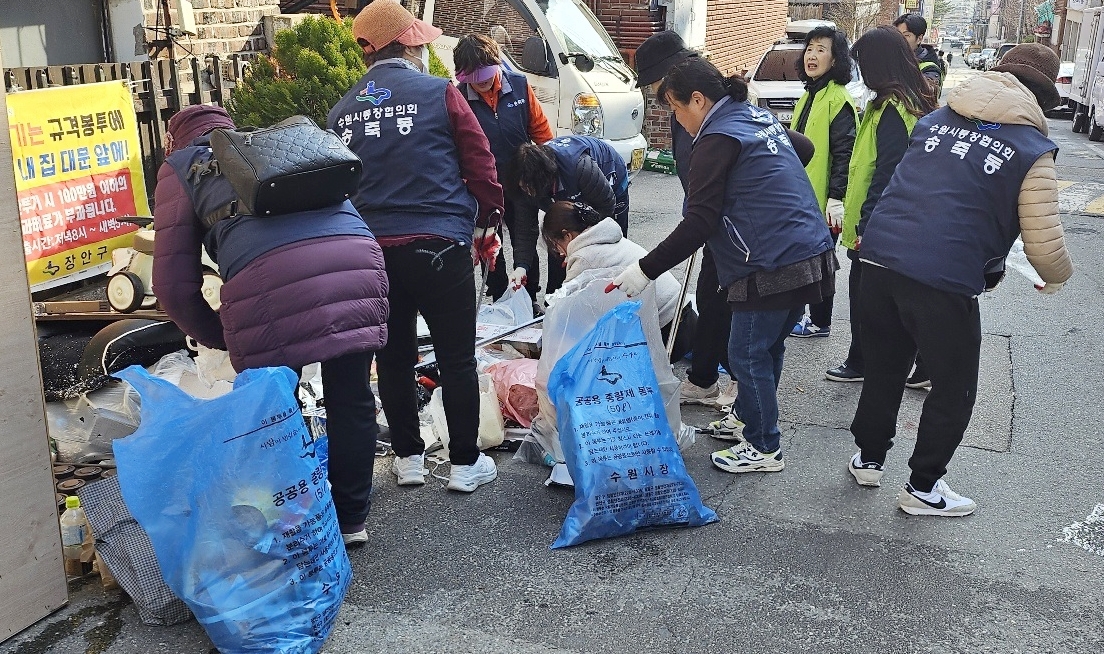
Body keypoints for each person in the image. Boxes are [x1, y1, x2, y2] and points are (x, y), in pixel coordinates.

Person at [846, 44, 1073, 516]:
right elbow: (1044, 239)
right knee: (954, 383)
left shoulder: (934, 122)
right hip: (943, 277)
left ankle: (868, 458)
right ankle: (924, 487)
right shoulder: (1032, 148)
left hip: (880, 258)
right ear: (1041, 100)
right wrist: (1055, 277)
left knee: (884, 365)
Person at [152, 105, 390, 546]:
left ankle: (298, 519)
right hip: (357, 261)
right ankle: (353, 520)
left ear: (174, 140)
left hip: (268, 279)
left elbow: (171, 283)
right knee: (351, 397)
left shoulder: (180, 166)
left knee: (276, 407)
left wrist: (220, 336)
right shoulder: (266, 147)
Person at [607, 57, 836, 474]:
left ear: (698, 99)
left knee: (746, 353)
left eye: (676, 109)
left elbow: (699, 222)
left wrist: (643, 270)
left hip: (769, 260)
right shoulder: (751, 116)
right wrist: (762, 183)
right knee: (766, 348)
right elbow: (803, 148)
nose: (676, 119)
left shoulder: (715, 137)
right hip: (810, 250)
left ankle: (764, 446)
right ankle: (750, 420)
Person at [328, 0, 505, 492]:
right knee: (456, 357)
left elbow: (336, 186)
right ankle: (465, 466)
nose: (426, 48)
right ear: (406, 43)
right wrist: (489, 216)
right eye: (420, 40)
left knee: (394, 357)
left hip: (371, 250)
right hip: (439, 243)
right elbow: (481, 163)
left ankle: (408, 458)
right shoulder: (440, 94)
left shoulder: (341, 111)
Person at [826, 26, 937, 384]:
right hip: (896, 222)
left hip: (877, 226)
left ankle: (863, 363)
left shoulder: (892, 109)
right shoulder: (910, 100)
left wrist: (866, 226)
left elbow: (888, 171)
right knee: (897, 299)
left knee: (867, 300)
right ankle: (921, 366)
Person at [633, 31, 734, 408]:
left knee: (726, 302)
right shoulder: (683, 104)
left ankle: (737, 380)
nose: (659, 96)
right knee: (710, 297)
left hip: (724, 223)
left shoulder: (704, 103)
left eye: (656, 83)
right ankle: (704, 377)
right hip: (706, 214)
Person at [453, 33, 554, 304]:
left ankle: (529, 294)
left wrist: (548, 169)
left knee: (525, 237)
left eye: (485, 75)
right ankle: (497, 294)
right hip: (482, 186)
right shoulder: (459, 96)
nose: (481, 83)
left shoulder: (519, 86)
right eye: (473, 78)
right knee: (488, 241)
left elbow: (541, 131)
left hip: (522, 180)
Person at [541, 200, 695, 361]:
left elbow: (566, 313)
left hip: (669, 332)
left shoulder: (584, 256)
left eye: (555, 244)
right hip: (685, 315)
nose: (558, 252)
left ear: (567, 235)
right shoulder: (602, 236)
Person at [788, 25, 857, 340]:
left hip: (822, 199)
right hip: (801, 196)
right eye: (810, 48)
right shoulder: (810, 93)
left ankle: (819, 321)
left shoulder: (837, 98)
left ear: (835, 59)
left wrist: (836, 197)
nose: (812, 55)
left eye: (821, 49)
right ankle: (802, 317)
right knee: (803, 261)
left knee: (820, 263)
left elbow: (845, 152)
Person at [513, 134, 629, 295]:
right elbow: (524, 228)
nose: (528, 192)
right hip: (569, 193)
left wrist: (581, 245)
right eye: (524, 188)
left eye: (530, 188)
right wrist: (521, 266)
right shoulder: (525, 183)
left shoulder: (580, 167)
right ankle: (556, 298)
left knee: (606, 250)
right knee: (559, 244)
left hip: (609, 180)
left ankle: (613, 294)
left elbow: (605, 210)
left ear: (544, 180)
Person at [894, 13, 945, 99]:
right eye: (898, 35)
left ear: (919, 39)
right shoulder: (893, 58)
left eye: (906, 35)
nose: (900, 40)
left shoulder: (930, 69)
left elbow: (926, 95)